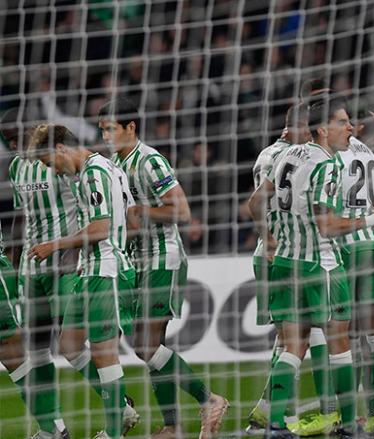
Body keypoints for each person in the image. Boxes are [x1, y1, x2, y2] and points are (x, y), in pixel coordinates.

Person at [248, 96, 374, 438]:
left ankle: (276, 424)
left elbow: (255, 203)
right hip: (320, 265)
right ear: (323, 129)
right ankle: (346, 424)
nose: (350, 128)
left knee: (293, 346)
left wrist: (268, 238)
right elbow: (327, 225)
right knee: (339, 342)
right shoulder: (327, 165)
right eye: (343, 122)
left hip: (285, 263)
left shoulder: (286, 154)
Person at [99, 97, 229, 439]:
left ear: (130, 127)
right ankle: (172, 426)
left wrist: (141, 212)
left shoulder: (150, 160)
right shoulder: (114, 164)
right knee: (154, 347)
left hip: (162, 259)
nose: (106, 136)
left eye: (111, 128)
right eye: (102, 130)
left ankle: (209, 399)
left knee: (144, 346)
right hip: (138, 262)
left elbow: (181, 211)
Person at [27, 123, 140, 439]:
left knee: (105, 353)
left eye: (51, 163)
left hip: (106, 270)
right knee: (70, 345)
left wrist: (55, 245)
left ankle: (115, 430)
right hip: (88, 270)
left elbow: (102, 228)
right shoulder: (100, 170)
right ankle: (123, 408)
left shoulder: (93, 172)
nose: (55, 171)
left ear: (61, 148)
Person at [247, 103, 341, 437]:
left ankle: (268, 410)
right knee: (299, 338)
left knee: (287, 339)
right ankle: (292, 414)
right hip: (290, 251)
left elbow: (256, 201)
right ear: (299, 129)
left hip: (272, 249)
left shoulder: (268, 154)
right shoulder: (297, 156)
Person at [2, 108, 73, 439]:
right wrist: (14, 260)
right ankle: (52, 426)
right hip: (30, 266)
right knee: (35, 349)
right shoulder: (16, 167)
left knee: (73, 343)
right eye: (8, 140)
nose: (15, 145)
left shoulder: (57, 159)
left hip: (64, 262)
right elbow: (21, 217)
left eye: (18, 137)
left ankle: (121, 406)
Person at [337, 112, 374, 437]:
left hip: (346, 245)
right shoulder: (368, 154)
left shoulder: (334, 154)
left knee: (344, 334)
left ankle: (343, 416)